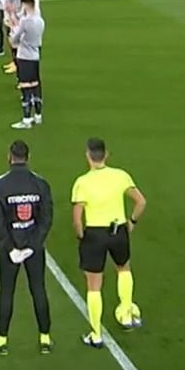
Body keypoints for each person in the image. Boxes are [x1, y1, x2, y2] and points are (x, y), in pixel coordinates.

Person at [71, 137, 148, 348]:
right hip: (118, 230)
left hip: (94, 234)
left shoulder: (82, 182)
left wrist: (81, 236)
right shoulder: (121, 176)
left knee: (94, 285)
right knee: (124, 269)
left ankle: (95, 334)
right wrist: (131, 222)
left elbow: (77, 218)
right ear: (106, 155)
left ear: (88, 156)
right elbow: (141, 202)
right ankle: (126, 314)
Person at [0, 139, 53, 355]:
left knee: (7, 292)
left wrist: (10, 249)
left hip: (10, 249)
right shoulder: (40, 184)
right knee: (39, 290)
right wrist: (33, 245)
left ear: (10, 157)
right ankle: (45, 339)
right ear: (28, 157)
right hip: (33, 247)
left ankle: (2, 341)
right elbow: (46, 219)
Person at [9, 0, 44, 129]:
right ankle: (38, 115)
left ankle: (26, 119)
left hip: (24, 57)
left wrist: (12, 26)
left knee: (25, 88)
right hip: (35, 56)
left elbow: (15, 40)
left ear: (25, 5)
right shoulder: (40, 21)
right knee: (35, 86)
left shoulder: (25, 21)